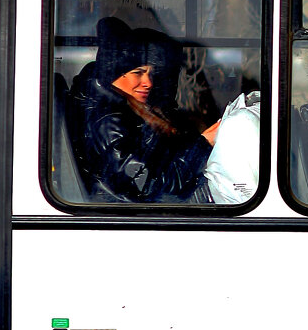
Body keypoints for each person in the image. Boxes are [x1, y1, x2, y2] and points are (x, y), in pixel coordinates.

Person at [67, 17, 219, 203]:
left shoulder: (133, 110)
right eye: (138, 73)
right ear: (113, 72)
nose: (148, 83)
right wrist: (201, 146)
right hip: (127, 214)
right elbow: (154, 186)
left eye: (150, 74)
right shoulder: (108, 124)